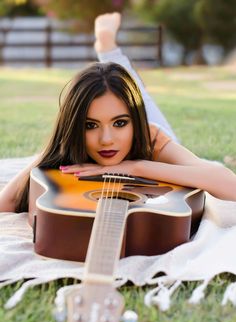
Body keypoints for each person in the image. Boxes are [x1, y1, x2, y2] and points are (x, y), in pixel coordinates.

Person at [0, 12, 236, 214]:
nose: (106, 140)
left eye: (120, 123)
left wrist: (135, 167)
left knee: (140, 99)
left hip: (145, 138)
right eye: (90, 125)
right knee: (124, 98)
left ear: (134, 123)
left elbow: (228, 184)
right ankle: (108, 52)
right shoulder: (68, 144)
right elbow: (7, 201)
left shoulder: (152, 138)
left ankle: (107, 46)